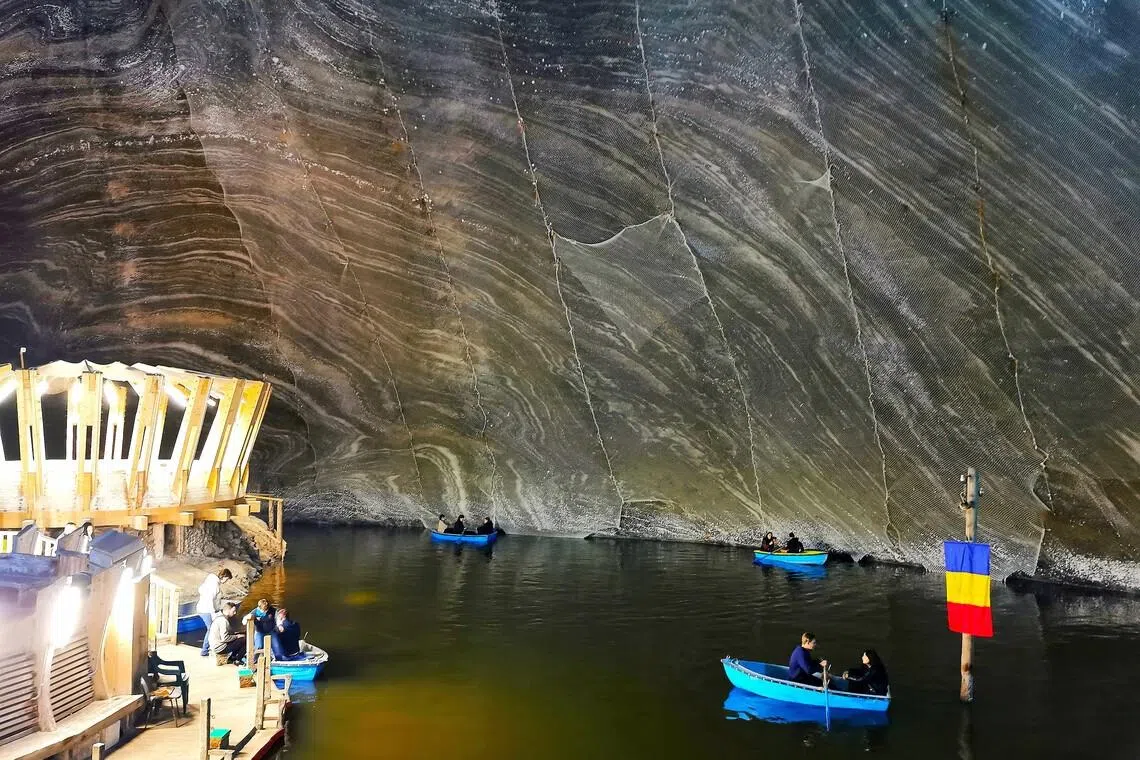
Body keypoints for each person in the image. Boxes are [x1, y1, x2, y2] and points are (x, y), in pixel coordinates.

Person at [197, 567, 233, 656]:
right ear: (224, 577)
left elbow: (201, 589)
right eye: (227, 579)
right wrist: (213, 614)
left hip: (204, 608)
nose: (226, 581)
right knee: (211, 629)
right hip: (206, 610)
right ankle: (205, 650)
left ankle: (210, 647)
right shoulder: (214, 585)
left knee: (214, 628)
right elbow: (209, 600)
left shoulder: (211, 580)